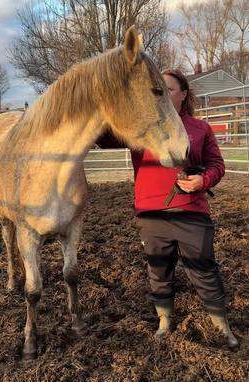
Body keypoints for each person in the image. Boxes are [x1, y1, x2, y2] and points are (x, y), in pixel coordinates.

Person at [97, 69, 238, 348]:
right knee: (158, 269)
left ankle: (221, 325)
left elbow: (216, 165)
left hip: (191, 210)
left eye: (167, 89)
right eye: (155, 89)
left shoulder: (200, 129)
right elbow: (103, 137)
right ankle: (164, 321)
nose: (158, 93)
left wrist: (203, 180)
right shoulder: (139, 127)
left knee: (203, 269)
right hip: (151, 212)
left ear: (183, 94)